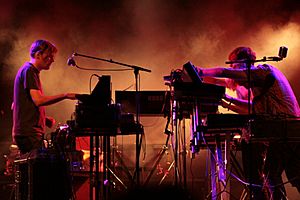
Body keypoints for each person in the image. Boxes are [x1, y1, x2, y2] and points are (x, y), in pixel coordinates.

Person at [196, 46, 300, 199]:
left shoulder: (262, 71)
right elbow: (223, 83)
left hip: (285, 128)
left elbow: (223, 72)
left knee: (273, 174)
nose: (231, 67)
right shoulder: (256, 82)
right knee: (292, 175)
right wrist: (198, 79)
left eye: (233, 64)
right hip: (287, 129)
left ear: (244, 62)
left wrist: (199, 71)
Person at [12, 39, 78, 154]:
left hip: (27, 133)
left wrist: (43, 118)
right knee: (41, 170)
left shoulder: (28, 71)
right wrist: (65, 95)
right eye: (49, 57)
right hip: (29, 134)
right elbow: (38, 101)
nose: (52, 60)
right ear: (38, 55)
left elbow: (15, 105)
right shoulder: (29, 71)